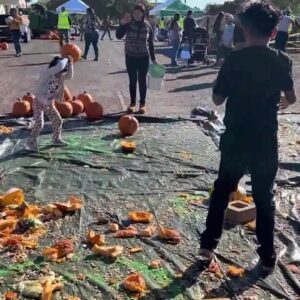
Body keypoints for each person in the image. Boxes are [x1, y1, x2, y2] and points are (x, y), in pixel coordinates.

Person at [200, 1, 297, 274]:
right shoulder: (282, 60)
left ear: (244, 28)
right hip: (265, 140)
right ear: (274, 30)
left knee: (222, 191)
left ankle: (207, 246)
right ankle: (267, 255)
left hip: (236, 139)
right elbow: (290, 98)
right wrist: (277, 100)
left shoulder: (234, 59)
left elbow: (217, 99)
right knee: (264, 197)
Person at [26, 56, 74, 153]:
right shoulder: (47, 74)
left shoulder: (60, 78)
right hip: (39, 102)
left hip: (49, 104)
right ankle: (31, 142)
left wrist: (70, 63)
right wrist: (65, 58)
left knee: (58, 120)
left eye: (62, 72)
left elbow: (70, 76)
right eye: (60, 72)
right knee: (39, 124)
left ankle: (56, 139)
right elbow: (59, 67)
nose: (61, 74)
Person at [116, 4, 156, 115]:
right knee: (132, 80)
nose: (136, 15)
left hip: (143, 57)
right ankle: (132, 103)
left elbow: (151, 43)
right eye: (135, 13)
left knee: (142, 81)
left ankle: (142, 104)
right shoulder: (128, 25)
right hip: (130, 57)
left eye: (138, 13)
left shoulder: (147, 26)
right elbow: (118, 35)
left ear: (143, 14)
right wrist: (121, 24)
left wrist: (153, 59)